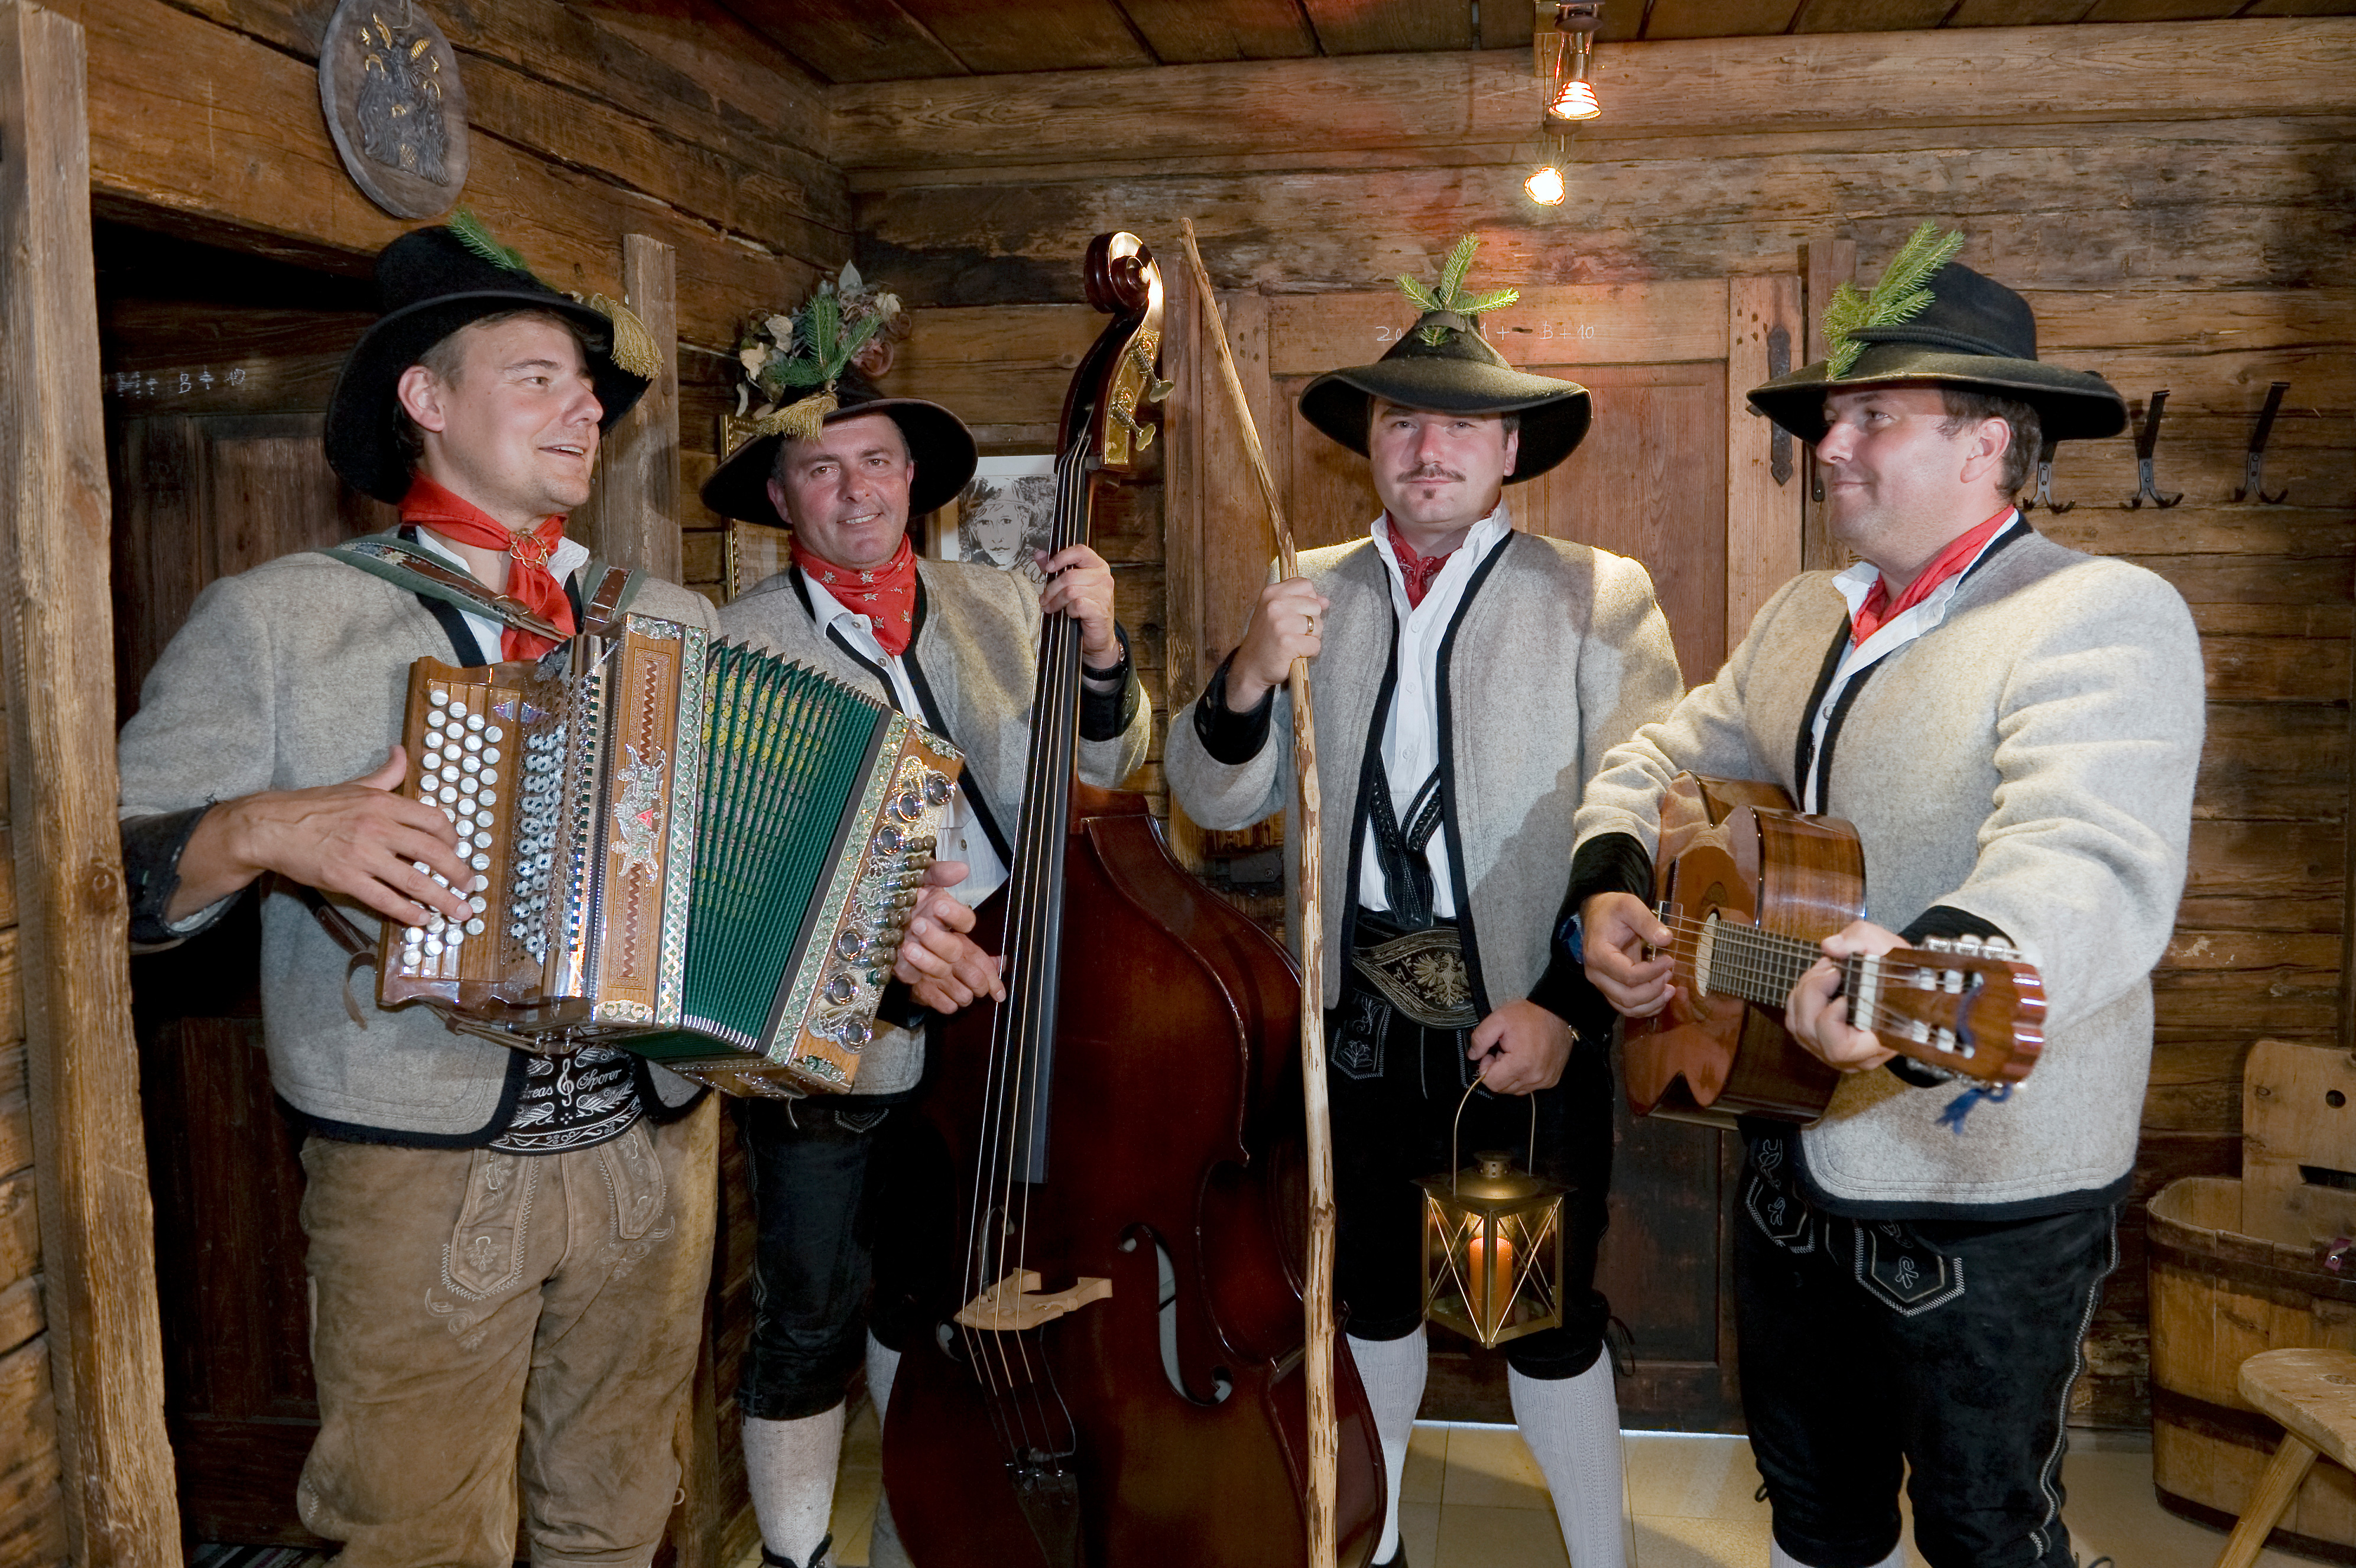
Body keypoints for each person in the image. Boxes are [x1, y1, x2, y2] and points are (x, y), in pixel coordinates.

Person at [1572, 229, 2204, 1568]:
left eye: (1874, 416)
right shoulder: (1806, 613)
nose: (1830, 443)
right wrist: (1610, 878)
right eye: (1830, 417)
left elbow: (2085, 853)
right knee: (1814, 1512)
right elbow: (1661, 755)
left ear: (1988, 441)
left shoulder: (2099, 611)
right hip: (1786, 1153)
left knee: (1983, 1533)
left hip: (1981, 1182)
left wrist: (1928, 963)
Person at [115, 220, 726, 1567]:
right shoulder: (279, 619)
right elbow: (106, 872)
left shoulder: (672, 621)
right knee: (413, 1535)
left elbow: (747, 861)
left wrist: (872, 914)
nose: (584, 409)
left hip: (657, 1145)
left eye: (589, 389)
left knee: (621, 1511)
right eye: (539, 377)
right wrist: (260, 828)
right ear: (426, 399)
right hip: (418, 1154)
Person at [1164, 240, 1684, 1568]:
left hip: (1518, 1023)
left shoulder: (1594, 594)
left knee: (1534, 1313)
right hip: (1350, 1031)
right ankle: (1374, 1546)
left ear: (1509, 449)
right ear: (1371, 446)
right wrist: (1247, 671)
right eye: (1402, 421)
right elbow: (1212, 798)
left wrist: (1567, 1007)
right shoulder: (1309, 586)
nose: (1428, 447)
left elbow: (1646, 811)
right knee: (1371, 1300)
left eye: (1459, 424)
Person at [699, 353, 1153, 1568]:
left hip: (1007, 1004)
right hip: (825, 1038)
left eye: (877, 461)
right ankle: (797, 1555)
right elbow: (722, 866)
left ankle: (921, 1528)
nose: (856, 489)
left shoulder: (999, 605)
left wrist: (1100, 652)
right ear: (780, 497)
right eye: (821, 468)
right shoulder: (734, 642)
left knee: (945, 1293)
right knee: (810, 1310)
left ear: (913, 479)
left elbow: (1105, 770)